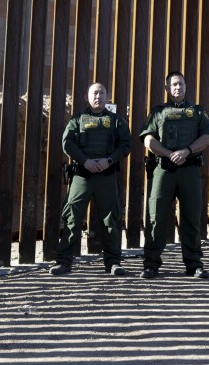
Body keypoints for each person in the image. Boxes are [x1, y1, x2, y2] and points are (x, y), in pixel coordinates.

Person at [140, 71, 209, 279]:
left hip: (189, 169)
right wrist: (169, 154)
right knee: (156, 217)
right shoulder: (158, 112)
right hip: (164, 169)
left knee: (191, 217)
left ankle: (194, 264)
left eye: (180, 84)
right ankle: (151, 264)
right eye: (173, 84)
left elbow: (207, 137)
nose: (177, 87)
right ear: (167, 89)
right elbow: (148, 139)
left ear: (186, 86)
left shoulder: (197, 112)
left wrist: (187, 151)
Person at [50, 83, 132, 276]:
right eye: (94, 93)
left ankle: (113, 263)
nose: (98, 96)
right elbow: (67, 143)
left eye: (102, 93)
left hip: (106, 175)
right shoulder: (77, 120)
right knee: (72, 217)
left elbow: (126, 144)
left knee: (110, 219)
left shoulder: (116, 121)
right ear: (87, 97)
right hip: (82, 175)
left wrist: (109, 160)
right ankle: (64, 262)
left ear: (107, 96)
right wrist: (85, 161)